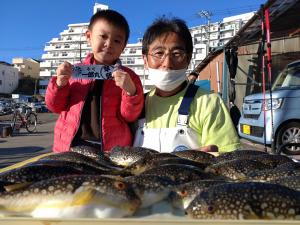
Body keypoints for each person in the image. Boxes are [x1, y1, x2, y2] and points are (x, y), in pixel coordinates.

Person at [133, 17, 240, 153]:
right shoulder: (136, 106)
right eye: (159, 53)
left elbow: (229, 158)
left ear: (188, 59)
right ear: (145, 59)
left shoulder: (209, 103)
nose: (167, 63)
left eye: (176, 54)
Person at [46, 9, 144, 153]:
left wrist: (130, 91)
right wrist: (59, 84)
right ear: (89, 36)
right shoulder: (73, 72)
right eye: (103, 36)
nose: (109, 43)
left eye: (117, 40)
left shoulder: (130, 77)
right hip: (70, 146)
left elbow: (130, 116)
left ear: (123, 46)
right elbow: (54, 106)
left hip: (111, 152)